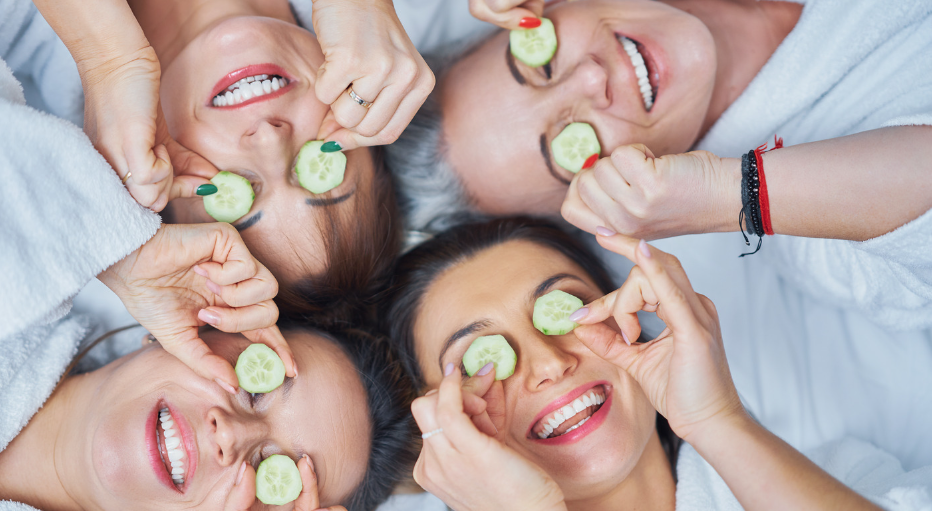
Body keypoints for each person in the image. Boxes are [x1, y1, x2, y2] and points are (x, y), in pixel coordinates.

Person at [0, 11, 415, 511]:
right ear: (185, 329)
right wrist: (113, 249)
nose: (230, 436)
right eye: (257, 383)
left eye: (270, 481)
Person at [380, 217, 932, 511]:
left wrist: (717, 421)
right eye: (483, 361)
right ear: (437, 425)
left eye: (566, 308)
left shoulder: (827, 488)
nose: (548, 363)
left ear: (633, 324)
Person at [387, 0, 932, 328]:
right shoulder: (830, 230)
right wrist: (731, 193)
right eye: (570, 147)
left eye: (541, 61)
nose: (589, 80)